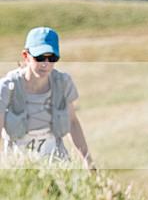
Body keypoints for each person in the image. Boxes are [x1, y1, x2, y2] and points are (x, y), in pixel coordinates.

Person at [0, 27, 94, 168]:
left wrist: (89, 164)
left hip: (57, 167)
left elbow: (72, 122)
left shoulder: (62, 83)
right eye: (40, 57)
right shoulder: (8, 87)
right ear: (26, 55)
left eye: (52, 58)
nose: (46, 64)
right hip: (18, 167)